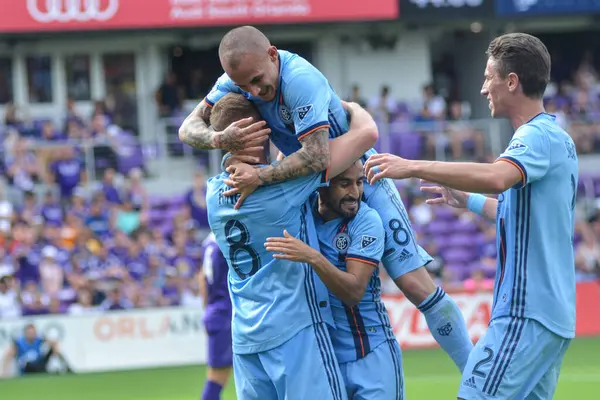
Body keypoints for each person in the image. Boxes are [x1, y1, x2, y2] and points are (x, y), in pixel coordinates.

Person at [179, 25, 473, 372]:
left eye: (258, 80)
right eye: (244, 87)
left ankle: (478, 380)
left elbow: (318, 158)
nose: (255, 92)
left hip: (358, 177)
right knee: (318, 295)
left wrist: (260, 175)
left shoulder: (301, 79)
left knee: (413, 284)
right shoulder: (237, 80)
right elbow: (187, 129)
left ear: (273, 54)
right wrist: (219, 138)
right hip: (308, 190)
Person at [364, 33, 577, 400]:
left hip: (525, 313)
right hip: (554, 316)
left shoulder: (535, 137)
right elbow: (524, 216)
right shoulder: (558, 139)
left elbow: (498, 176)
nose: (483, 89)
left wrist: (413, 166)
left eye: (488, 77)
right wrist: (471, 202)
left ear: (511, 81)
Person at [206, 93, 377, 400]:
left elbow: (233, 160)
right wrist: (352, 108)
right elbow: (365, 136)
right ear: (256, 131)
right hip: (294, 330)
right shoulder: (280, 191)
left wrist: (231, 152)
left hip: (246, 337)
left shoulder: (211, 194)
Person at [265, 160, 403, 399]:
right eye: (344, 184)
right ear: (322, 186)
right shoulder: (304, 216)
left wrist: (313, 258)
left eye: (359, 183)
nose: (354, 193)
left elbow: (353, 292)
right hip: (326, 358)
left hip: (372, 352)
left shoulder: (366, 220)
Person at [200, 232, 233, 400]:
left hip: (216, 311)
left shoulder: (208, 242)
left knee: (217, 376)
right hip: (228, 311)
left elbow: (203, 279)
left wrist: (206, 311)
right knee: (217, 378)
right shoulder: (227, 238)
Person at [2, 324, 71, 376]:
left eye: (33, 333)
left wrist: (56, 350)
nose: (31, 335)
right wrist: (5, 373)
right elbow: (8, 355)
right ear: (25, 333)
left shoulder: (39, 340)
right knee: (29, 364)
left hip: (38, 364)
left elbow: (54, 343)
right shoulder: (19, 343)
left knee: (51, 351)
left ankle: (66, 368)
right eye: (29, 333)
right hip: (26, 368)